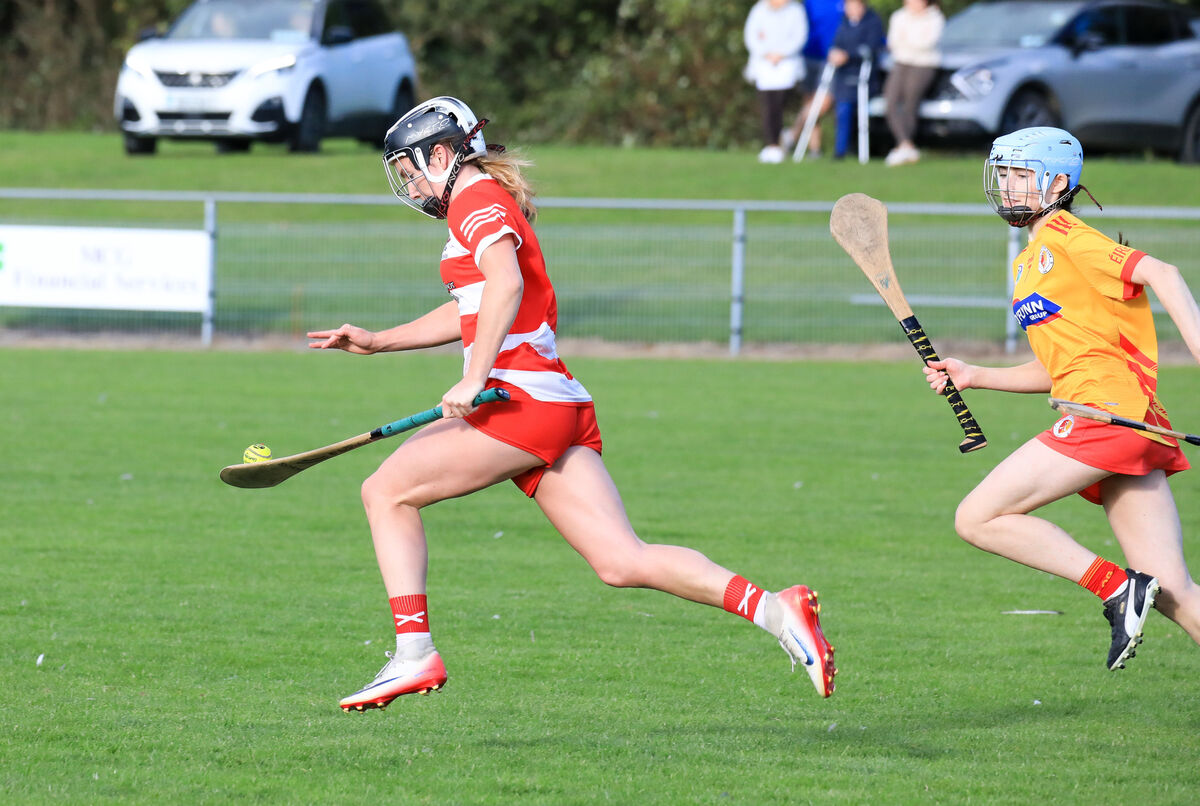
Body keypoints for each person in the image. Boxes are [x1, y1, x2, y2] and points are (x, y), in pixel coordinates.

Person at [307, 96, 837, 711]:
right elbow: (473, 307)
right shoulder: (478, 201)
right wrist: (380, 341)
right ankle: (777, 610)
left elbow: (505, 285)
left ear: (443, 153)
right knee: (621, 559)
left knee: (385, 491)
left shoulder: (474, 200)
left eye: (410, 168)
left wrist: (474, 377)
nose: (409, 183)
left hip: (518, 400)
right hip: (550, 402)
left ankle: (414, 653)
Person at [923, 127, 1200, 671]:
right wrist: (975, 374)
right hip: (1120, 420)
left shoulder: (1069, 237)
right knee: (1173, 592)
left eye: (1021, 176)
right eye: (1003, 175)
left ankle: (1117, 589)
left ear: (1056, 182)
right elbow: (1058, 368)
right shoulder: (1028, 262)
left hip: (1105, 416)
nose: (1008, 188)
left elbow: (1161, 273)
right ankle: (1133, 590)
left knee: (978, 517)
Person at [743, 0, 809, 163]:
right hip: (764, 65)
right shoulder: (758, 10)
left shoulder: (795, 11)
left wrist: (781, 54)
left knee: (780, 106)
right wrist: (766, 53)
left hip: (786, 65)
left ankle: (780, 140)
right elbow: (751, 36)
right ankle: (771, 144)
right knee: (767, 106)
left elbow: (799, 36)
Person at [881, 0, 943, 166]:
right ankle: (905, 145)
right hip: (901, 62)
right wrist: (911, 42)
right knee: (890, 102)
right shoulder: (899, 16)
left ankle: (904, 147)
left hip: (923, 64)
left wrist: (908, 41)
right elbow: (894, 41)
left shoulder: (934, 17)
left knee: (910, 104)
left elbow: (927, 43)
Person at [781, 0, 844, 159]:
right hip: (809, 56)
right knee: (809, 101)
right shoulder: (808, 3)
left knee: (823, 102)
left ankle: (792, 134)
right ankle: (815, 149)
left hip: (832, 58)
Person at [825, 0, 885, 160]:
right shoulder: (844, 23)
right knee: (843, 111)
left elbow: (872, 48)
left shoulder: (873, 22)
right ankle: (840, 150)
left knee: (863, 116)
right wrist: (834, 54)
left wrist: (848, 55)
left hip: (865, 77)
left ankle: (866, 150)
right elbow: (836, 43)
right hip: (844, 76)